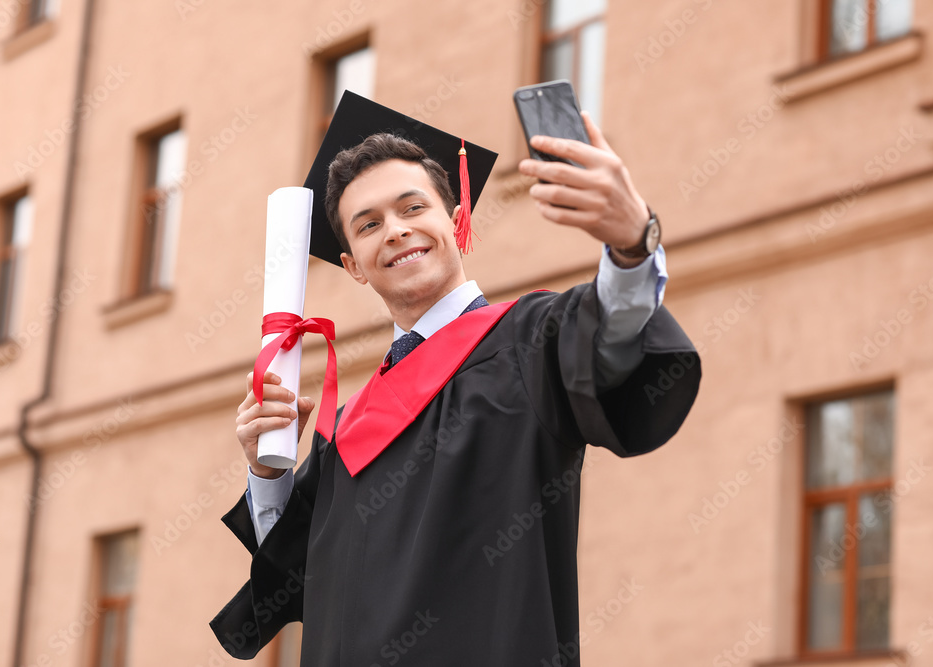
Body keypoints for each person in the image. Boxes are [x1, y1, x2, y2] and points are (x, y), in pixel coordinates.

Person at [211, 92, 700, 666]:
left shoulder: (529, 342)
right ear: (353, 267)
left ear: (457, 219)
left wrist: (631, 246)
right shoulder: (349, 428)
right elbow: (295, 577)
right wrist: (269, 470)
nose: (394, 230)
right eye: (367, 224)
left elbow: (613, 338)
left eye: (413, 208)